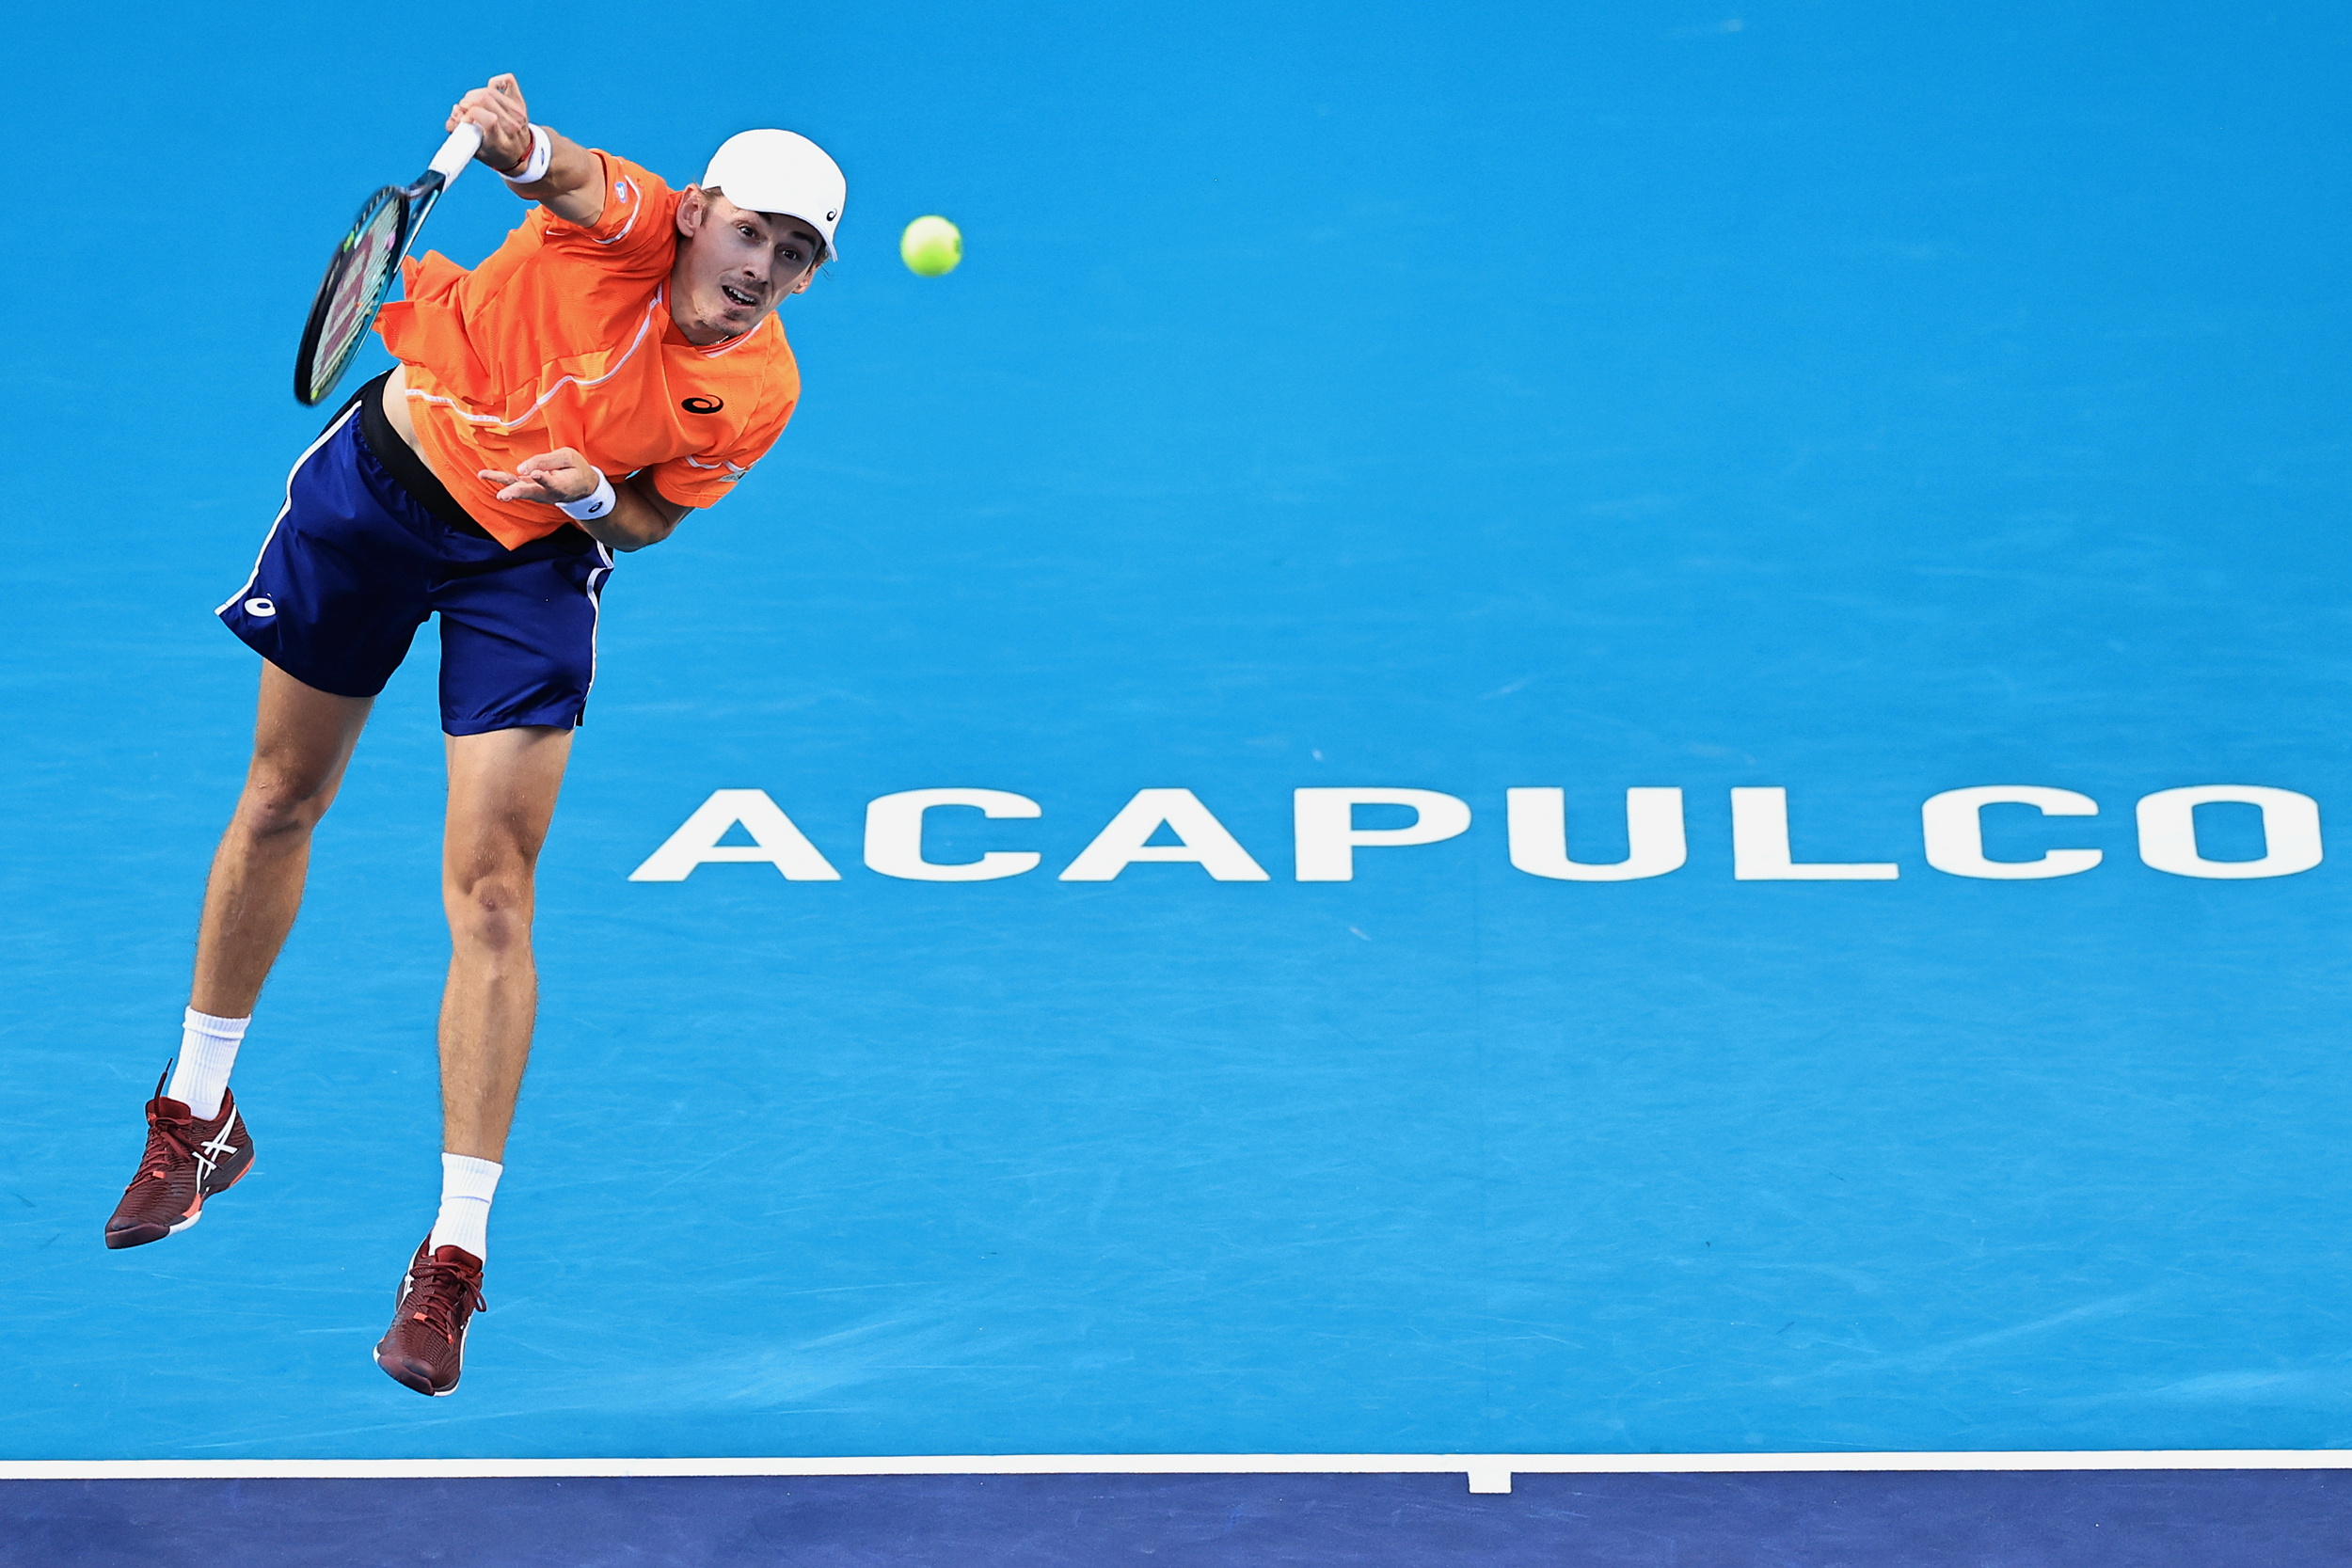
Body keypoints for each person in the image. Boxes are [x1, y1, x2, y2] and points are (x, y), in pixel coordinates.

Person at [102, 73, 845, 1397]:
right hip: (381, 494)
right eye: (752, 232)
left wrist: (597, 495)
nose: (764, 267)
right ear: (702, 214)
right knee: (280, 797)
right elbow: (559, 170)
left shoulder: (763, 387)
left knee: (495, 894)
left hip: (531, 565)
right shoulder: (626, 220)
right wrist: (513, 140)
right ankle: (196, 1114)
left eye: (795, 256)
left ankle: (453, 1252)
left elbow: (656, 521)